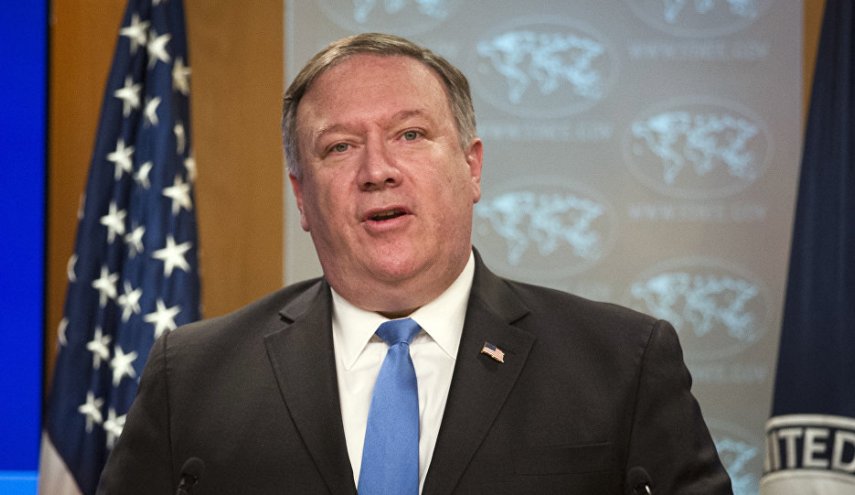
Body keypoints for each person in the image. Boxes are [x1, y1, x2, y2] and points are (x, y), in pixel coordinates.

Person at [97, 33, 732, 494]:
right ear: (302, 197)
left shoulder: (622, 363)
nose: (378, 170)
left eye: (410, 135)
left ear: (472, 167)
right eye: (340, 147)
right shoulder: (193, 376)